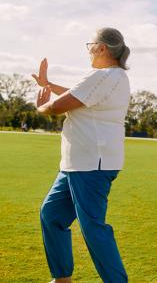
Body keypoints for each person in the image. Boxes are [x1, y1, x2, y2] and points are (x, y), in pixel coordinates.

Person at [34, 28, 131, 283]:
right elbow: (78, 94)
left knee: (92, 227)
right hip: (77, 164)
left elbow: (58, 106)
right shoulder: (108, 78)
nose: (88, 50)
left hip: (92, 164)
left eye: (90, 45)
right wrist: (48, 85)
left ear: (102, 48)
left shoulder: (104, 75)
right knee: (51, 215)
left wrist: (41, 107)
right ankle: (62, 278)